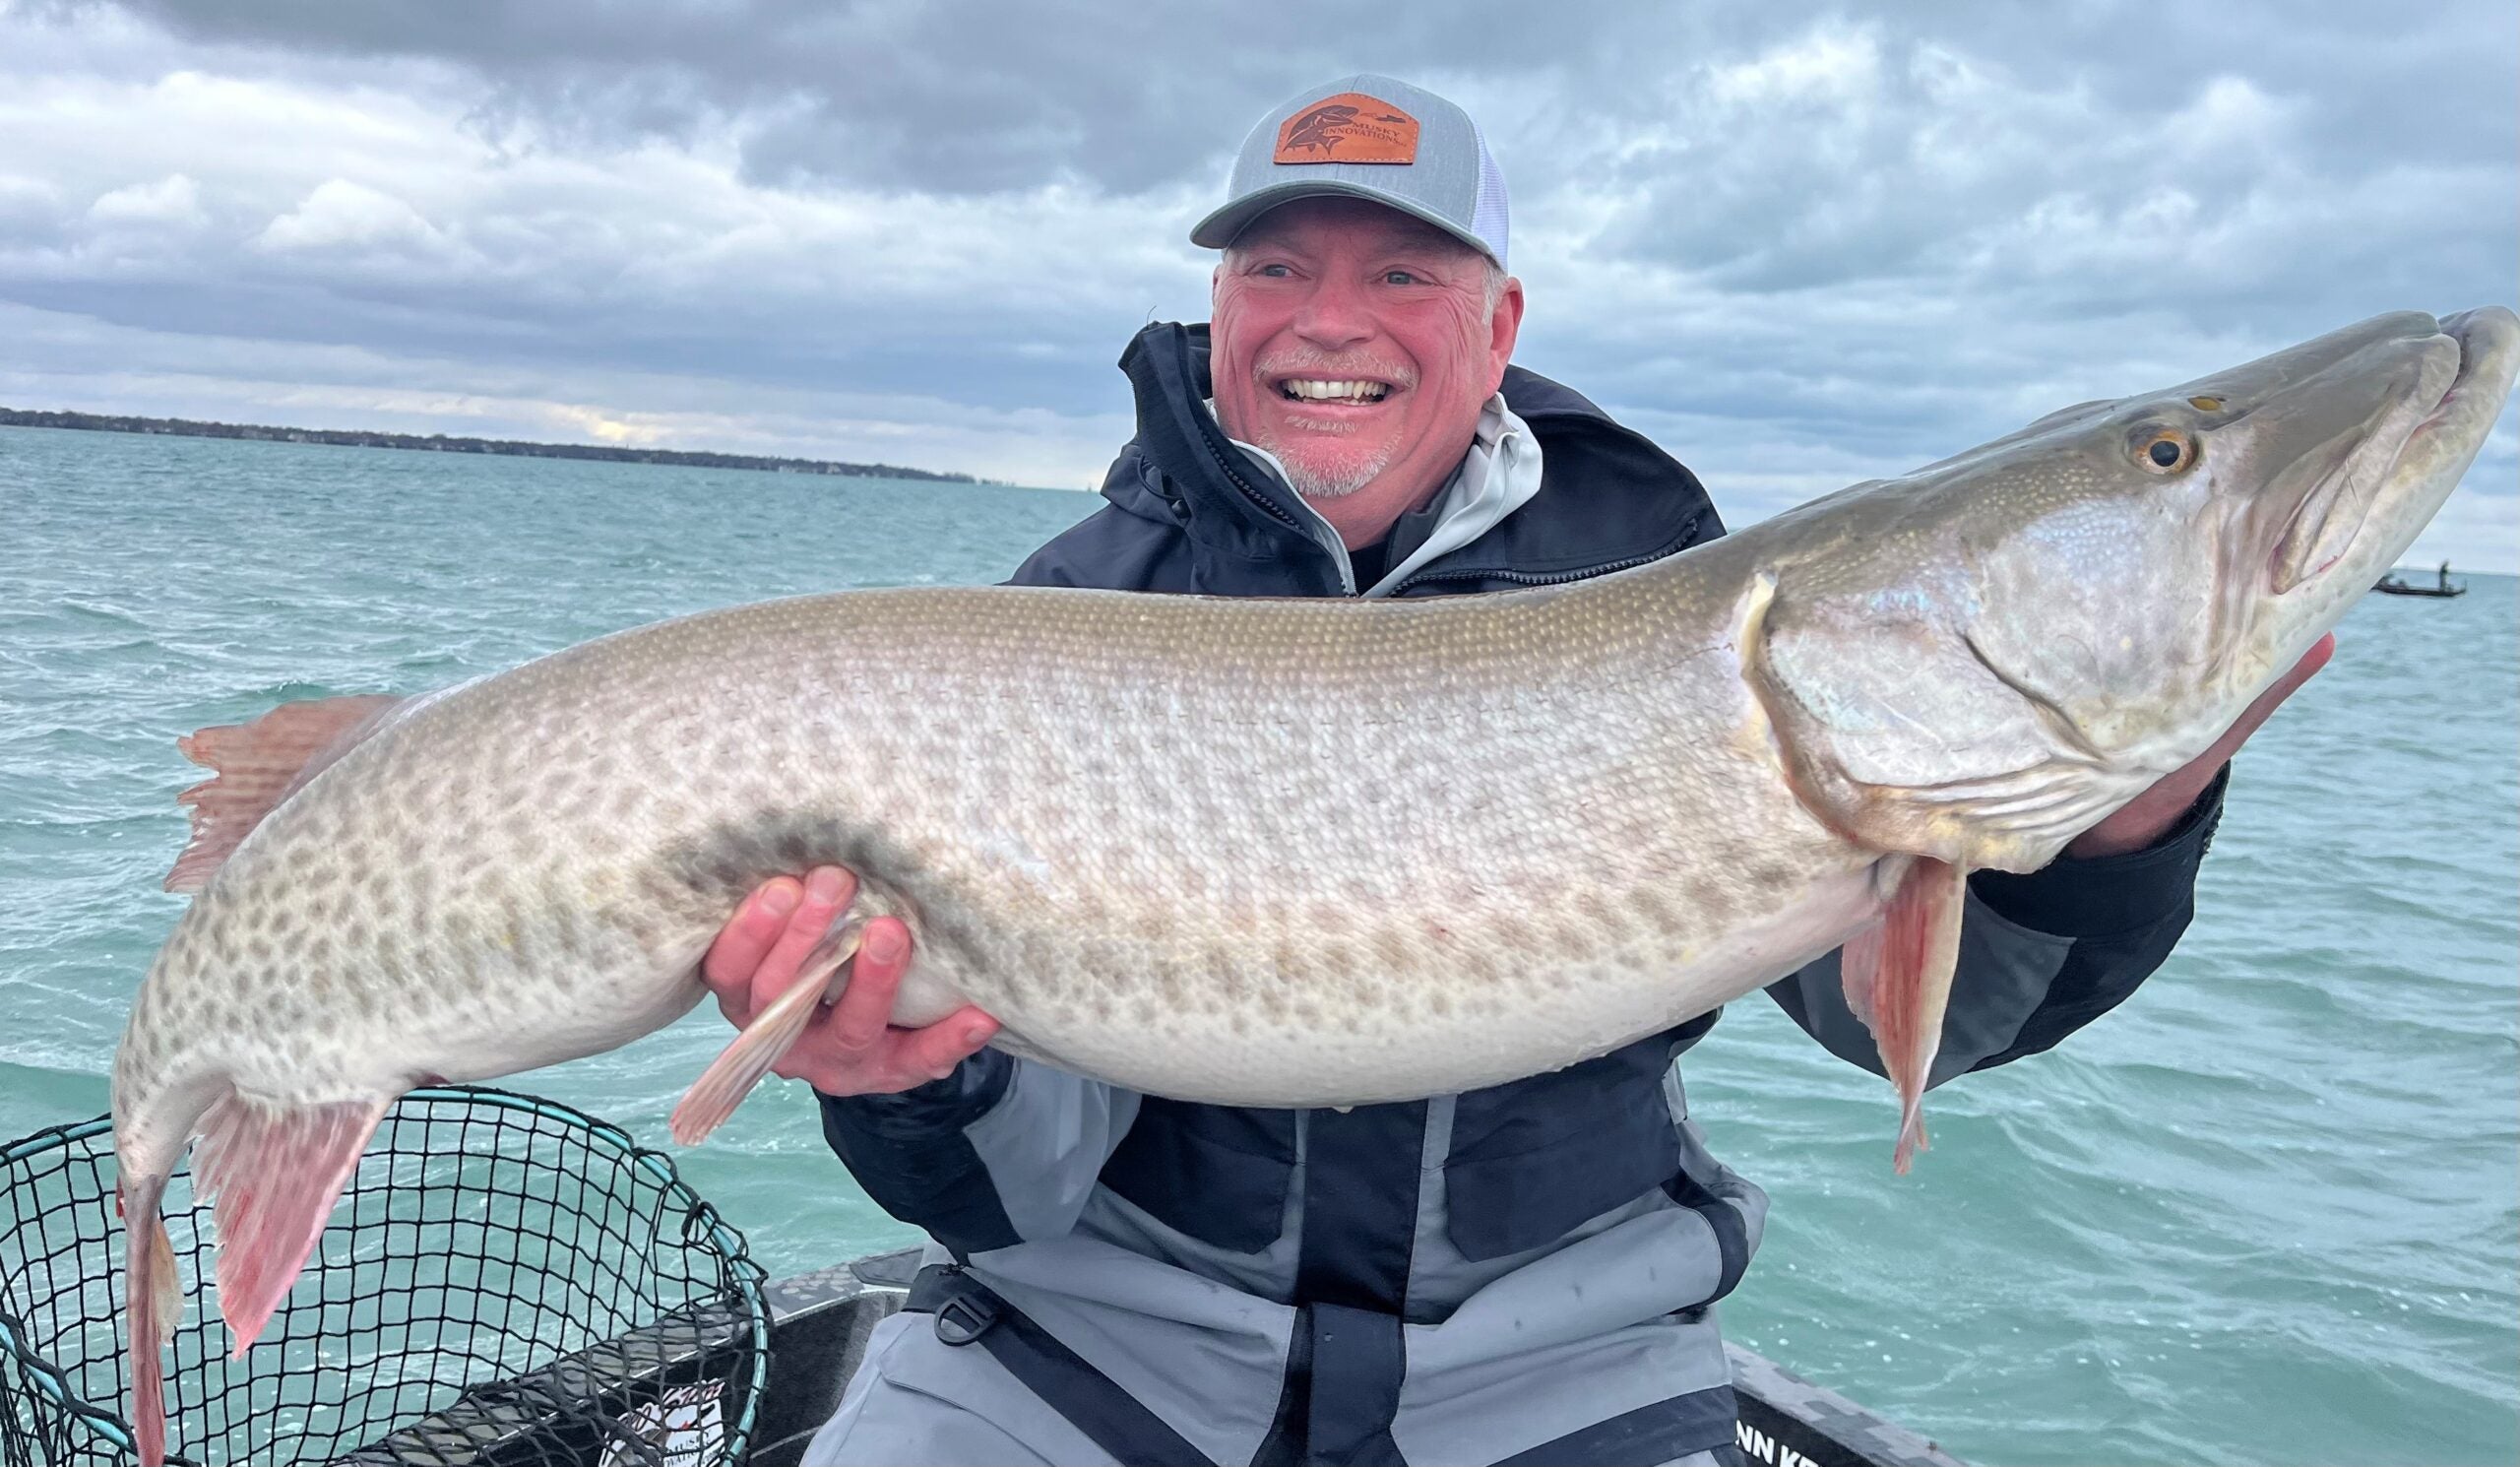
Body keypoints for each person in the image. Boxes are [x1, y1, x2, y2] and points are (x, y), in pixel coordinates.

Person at [699, 75, 2328, 1467]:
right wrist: (912, 1075)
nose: (1329, 321)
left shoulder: (1661, 573)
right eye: (1277, 266)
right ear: (1221, 317)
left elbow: (1923, 1022)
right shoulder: (1074, 613)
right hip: (1091, 1346)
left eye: (1406, 274)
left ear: (1499, 326)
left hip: (1562, 1369)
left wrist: (2111, 838)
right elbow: (1017, 1182)